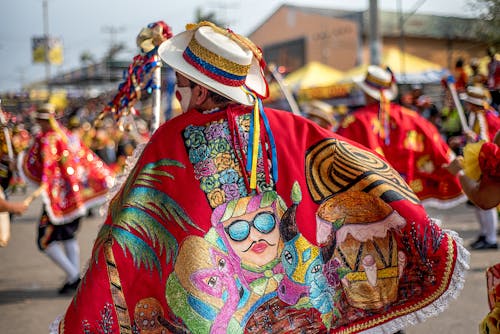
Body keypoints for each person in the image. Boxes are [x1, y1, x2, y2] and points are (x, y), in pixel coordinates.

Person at [55, 22, 469, 334]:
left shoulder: (169, 138)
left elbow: (124, 233)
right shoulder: (292, 126)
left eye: (182, 85)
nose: (179, 94)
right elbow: (368, 173)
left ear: (199, 92)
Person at [336, 65, 466, 209]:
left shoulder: (355, 121)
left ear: (367, 93)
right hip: (411, 191)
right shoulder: (412, 117)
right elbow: (435, 143)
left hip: (372, 196)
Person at [20, 103, 114, 294]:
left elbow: (47, 170)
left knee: (45, 240)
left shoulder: (48, 140)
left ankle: (74, 276)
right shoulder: (67, 136)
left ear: (41, 120)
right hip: (75, 197)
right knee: (69, 236)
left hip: (60, 199)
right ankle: (76, 279)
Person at [448, 85, 500, 250]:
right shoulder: (477, 116)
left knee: (485, 200)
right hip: (482, 164)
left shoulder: (488, 117)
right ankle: (485, 234)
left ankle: (491, 237)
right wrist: (463, 140)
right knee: (478, 203)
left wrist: (473, 137)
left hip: (487, 165)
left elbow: (487, 142)